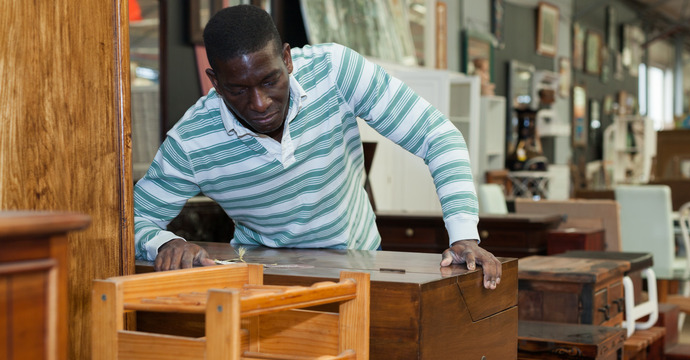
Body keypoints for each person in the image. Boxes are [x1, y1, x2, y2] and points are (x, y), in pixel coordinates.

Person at [133, 5, 502, 289]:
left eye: (270, 80)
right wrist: (165, 242)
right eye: (238, 89)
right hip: (261, 283)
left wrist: (464, 235)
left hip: (361, 268)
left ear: (288, 59)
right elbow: (130, 220)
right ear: (214, 81)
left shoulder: (335, 71)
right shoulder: (192, 141)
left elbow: (437, 135)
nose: (260, 103)